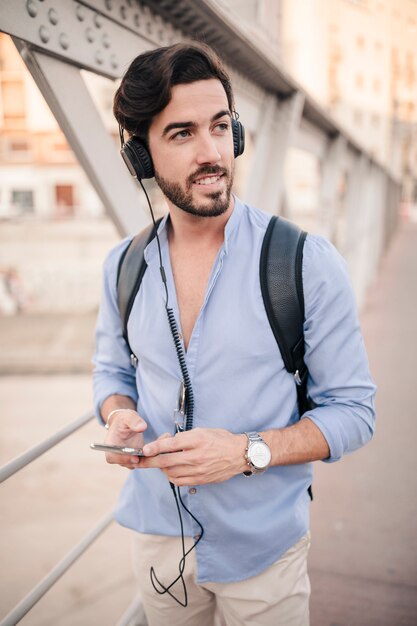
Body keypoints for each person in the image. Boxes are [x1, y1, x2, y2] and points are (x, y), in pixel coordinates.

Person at [93, 41, 376, 626]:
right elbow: (112, 372)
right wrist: (118, 413)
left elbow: (354, 411)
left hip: (264, 550)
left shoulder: (304, 263)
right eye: (182, 134)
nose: (212, 152)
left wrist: (247, 452)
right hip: (157, 539)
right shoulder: (122, 266)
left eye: (221, 127)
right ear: (141, 157)